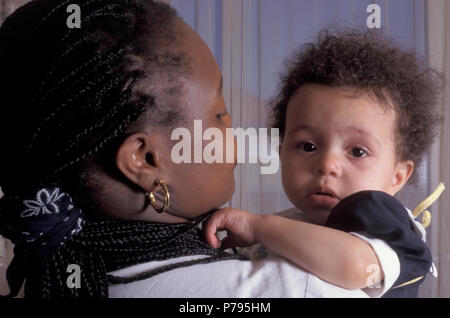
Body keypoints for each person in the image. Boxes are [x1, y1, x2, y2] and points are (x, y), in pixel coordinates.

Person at [0, 0, 369, 298]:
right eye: (219, 116)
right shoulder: (303, 289)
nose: (231, 133)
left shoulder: (40, 278)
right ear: (146, 160)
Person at [205, 30, 443, 298]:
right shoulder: (288, 222)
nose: (327, 164)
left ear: (397, 177)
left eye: (357, 151)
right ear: (281, 151)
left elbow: (354, 266)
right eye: (308, 146)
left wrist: (258, 227)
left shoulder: (382, 220)